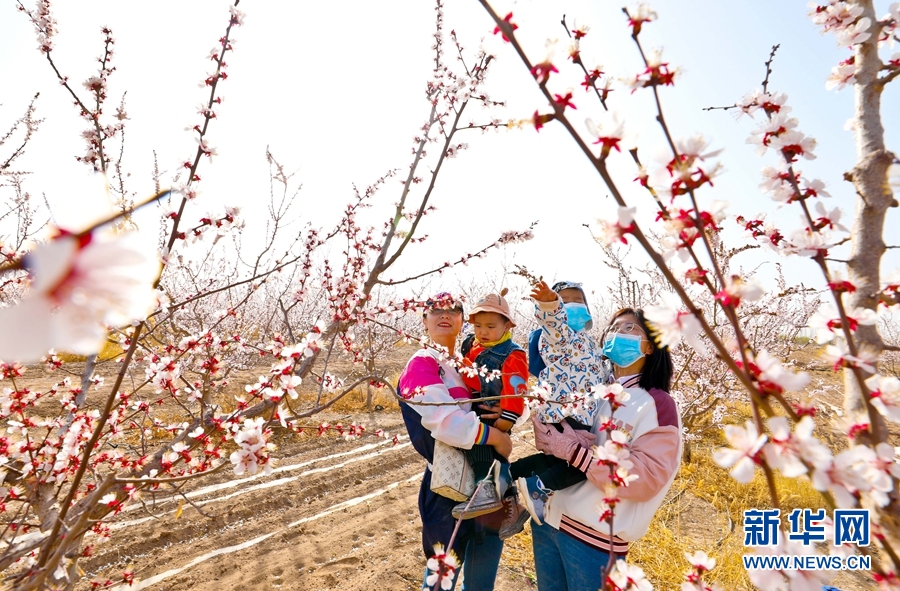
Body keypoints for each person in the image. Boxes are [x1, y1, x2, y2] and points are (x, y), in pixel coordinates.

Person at [526, 307, 681, 591]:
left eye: (629, 328)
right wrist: (550, 438)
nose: (616, 334)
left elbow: (646, 479)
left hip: (594, 541)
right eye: (612, 328)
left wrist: (576, 453)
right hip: (550, 522)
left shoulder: (655, 403)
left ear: (651, 345)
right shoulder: (594, 390)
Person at [398, 292, 513, 591]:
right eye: (435, 310)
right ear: (424, 321)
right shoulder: (421, 363)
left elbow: (511, 401)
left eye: (453, 309)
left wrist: (507, 413)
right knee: (442, 578)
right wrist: (496, 437)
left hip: (488, 482)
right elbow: (444, 421)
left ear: (464, 321)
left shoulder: (469, 365)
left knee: (481, 578)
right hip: (448, 485)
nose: (444, 314)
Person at [512, 280, 610, 521]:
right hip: (564, 413)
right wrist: (550, 305)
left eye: (579, 301)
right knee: (582, 465)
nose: (573, 305)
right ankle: (540, 486)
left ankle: (509, 473)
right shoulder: (558, 338)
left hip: (578, 414)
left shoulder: (589, 343)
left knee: (553, 460)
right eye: (565, 301)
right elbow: (554, 324)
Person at [455, 290, 531, 539]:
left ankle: (484, 487)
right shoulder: (472, 345)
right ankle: (512, 505)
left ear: (507, 325)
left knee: (480, 445)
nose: (483, 332)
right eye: (478, 326)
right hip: (476, 406)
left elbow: (517, 389)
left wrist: (505, 419)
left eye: (490, 326)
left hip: (494, 413)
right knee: (493, 455)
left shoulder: (512, 353)